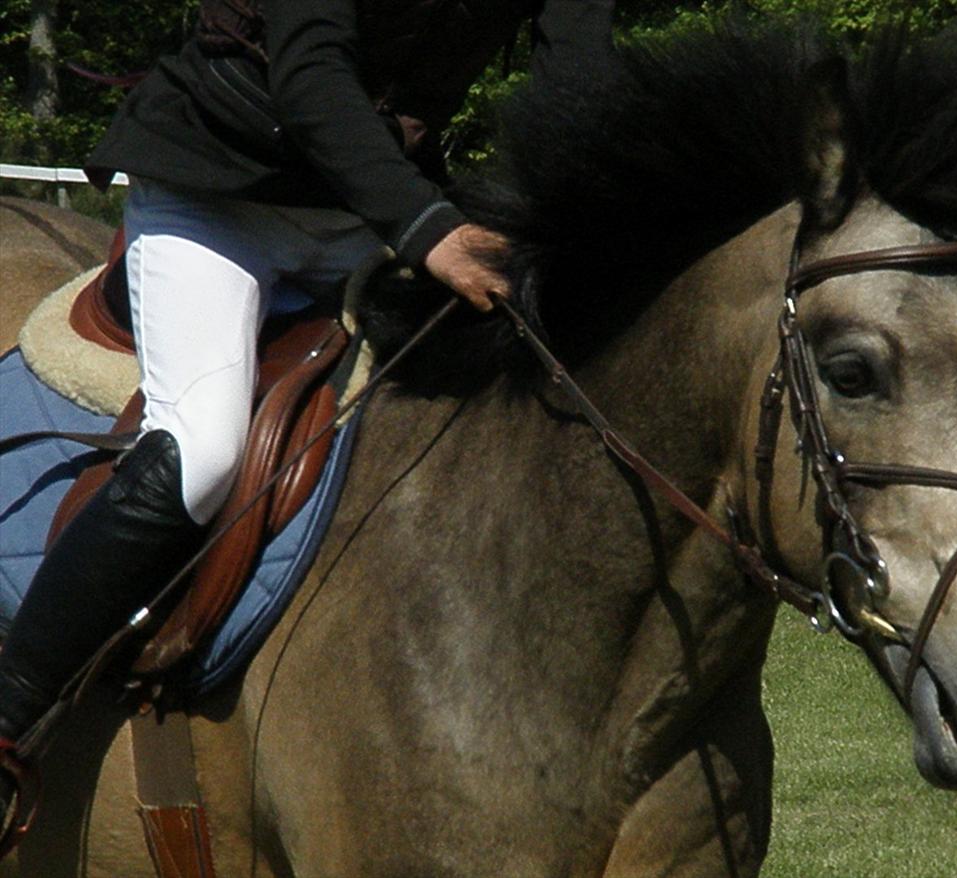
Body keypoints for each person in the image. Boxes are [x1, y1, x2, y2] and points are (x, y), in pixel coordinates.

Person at [0, 0, 614, 840]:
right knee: (205, 450)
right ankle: (10, 717)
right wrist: (432, 230)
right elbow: (310, 72)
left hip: (372, 208)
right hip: (218, 198)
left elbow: (575, 81)